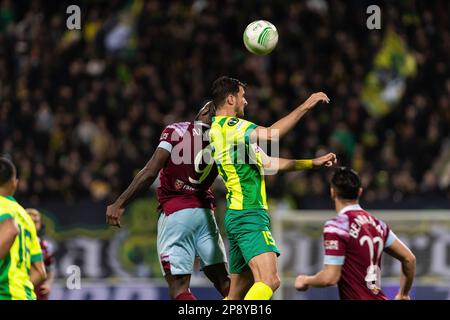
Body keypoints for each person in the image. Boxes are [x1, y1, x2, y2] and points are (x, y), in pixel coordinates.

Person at [208, 76, 336, 300]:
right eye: (242, 97)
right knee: (269, 280)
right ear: (230, 99)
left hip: (237, 215)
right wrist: (306, 104)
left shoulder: (225, 133)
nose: (245, 102)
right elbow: (272, 134)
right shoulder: (230, 127)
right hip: (249, 213)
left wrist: (311, 163)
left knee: (236, 295)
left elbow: (269, 163)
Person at [106, 102, 230, 300]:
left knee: (180, 288)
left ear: (205, 111)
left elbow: (149, 172)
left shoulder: (176, 130)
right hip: (206, 215)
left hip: (177, 213)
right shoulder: (224, 142)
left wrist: (119, 202)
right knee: (225, 283)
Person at [295, 167, 416, 300]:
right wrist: (403, 294)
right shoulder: (378, 225)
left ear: (332, 192)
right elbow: (409, 259)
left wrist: (306, 280)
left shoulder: (337, 226)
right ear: (360, 192)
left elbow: (330, 278)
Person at [0, 157, 47, 300]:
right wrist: (18, 287)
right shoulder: (25, 217)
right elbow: (40, 272)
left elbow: (11, 230)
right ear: (14, 183)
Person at [26, 208, 55, 300]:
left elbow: (50, 269)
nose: (33, 224)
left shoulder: (44, 246)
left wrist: (48, 284)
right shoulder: (16, 242)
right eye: (30, 221)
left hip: (38, 292)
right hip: (19, 289)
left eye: (36, 222)